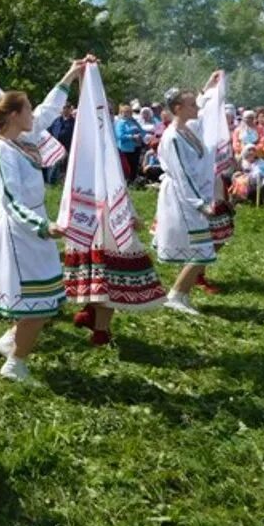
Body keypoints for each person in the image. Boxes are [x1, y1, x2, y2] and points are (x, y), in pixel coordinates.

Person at [0, 57, 88, 384]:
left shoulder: (23, 140)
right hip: (19, 230)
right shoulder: (1, 151)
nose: (34, 114)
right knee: (37, 302)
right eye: (27, 109)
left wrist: (71, 74)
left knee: (44, 294)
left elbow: (48, 109)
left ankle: (11, 341)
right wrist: (44, 226)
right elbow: (11, 199)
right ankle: (15, 364)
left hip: (34, 226)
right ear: (14, 116)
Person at [63, 61, 165, 347]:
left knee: (103, 265)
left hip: (103, 211)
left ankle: (96, 319)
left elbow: (115, 179)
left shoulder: (101, 140)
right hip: (95, 211)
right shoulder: (89, 138)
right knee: (101, 265)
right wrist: (85, 80)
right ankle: (97, 321)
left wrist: (128, 212)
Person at [152, 72, 223, 316]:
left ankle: (180, 294)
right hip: (182, 197)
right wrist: (199, 203)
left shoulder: (187, 128)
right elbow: (182, 173)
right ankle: (176, 295)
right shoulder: (173, 137)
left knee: (202, 247)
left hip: (190, 192)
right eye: (191, 104)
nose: (197, 108)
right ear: (179, 108)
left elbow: (202, 111)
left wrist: (209, 86)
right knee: (203, 248)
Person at [115, 102, 145, 183]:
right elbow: (120, 136)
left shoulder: (134, 121)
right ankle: (127, 182)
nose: (126, 114)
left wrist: (140, 136)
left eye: (128, 112)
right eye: (124, 112)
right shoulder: (120, 123)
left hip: (136, 146)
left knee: (134, 165)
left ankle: (133, 181)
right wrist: (132, 137)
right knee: (127, 166)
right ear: (121, 113)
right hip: (126, 148)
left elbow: (142, 131)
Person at [46, 102, 75, 184]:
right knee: (52, 168)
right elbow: (49, 132)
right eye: (64, 107)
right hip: (54, 149)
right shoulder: (56, 121)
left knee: (64, 169)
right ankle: (51, 184)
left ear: (70, 109)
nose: (65, 109)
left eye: (67, 107)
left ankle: (61, 185)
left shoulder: (74, 122)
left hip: (67, 150)